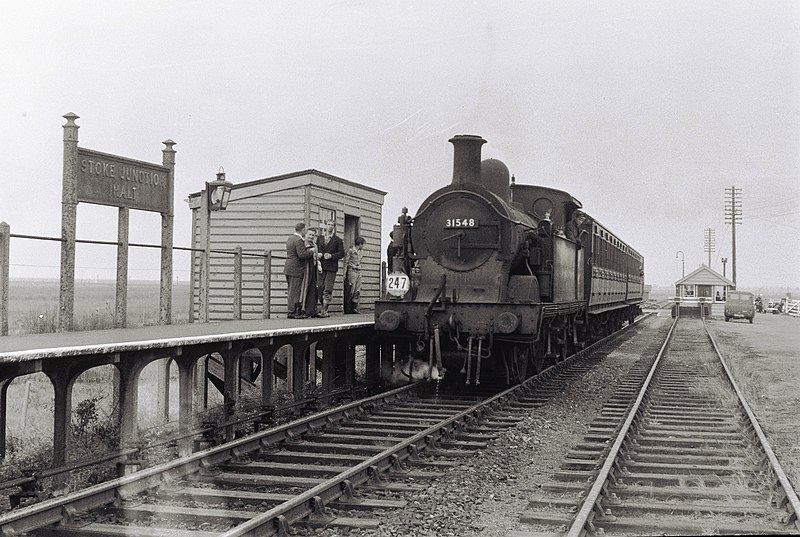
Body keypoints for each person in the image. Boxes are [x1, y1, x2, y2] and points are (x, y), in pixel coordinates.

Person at [283, 222, 315, 319]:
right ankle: (292, 312)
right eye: (305, 229)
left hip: (289, 267)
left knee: (291, 290)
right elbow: (302, 255)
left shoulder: (290, 238)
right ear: (303, 230)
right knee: (295, 291)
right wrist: (311, 251)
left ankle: (292, 310)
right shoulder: (298, 240)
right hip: (296, 269)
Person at [315, 220, 345, 317]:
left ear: (334, 227)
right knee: (319, 287)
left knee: (328, 288)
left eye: (332, 225)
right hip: (320, 266)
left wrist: (332, 256)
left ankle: (324, 310)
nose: (330, 227)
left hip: (331, 267)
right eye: (329, 225)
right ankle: (319, 306)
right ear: (325, 226)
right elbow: (316, 249)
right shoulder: (319, 238)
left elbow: (341, 253)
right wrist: (318, 254)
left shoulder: (338, 240)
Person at [300, 228, 321, 317]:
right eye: (310, 235)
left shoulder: (315, 245)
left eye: (313, 235)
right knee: (305, 288)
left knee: (313, 288)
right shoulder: (303, 243)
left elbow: (316, 257)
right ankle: (303, 309)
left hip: (314, 267)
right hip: (306, 267)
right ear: (306, 234)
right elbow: (303, 255)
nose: (311, 237)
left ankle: (311, 310)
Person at [344, 237, 366, 314]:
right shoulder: (351, 251)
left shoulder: (361, 252)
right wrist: (345, 272)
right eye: (362, 244)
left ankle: (354, 308)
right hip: (352, 271)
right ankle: (348, 308)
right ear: (360, 244)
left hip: (358, 272)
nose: (363, 246)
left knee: (357, 290)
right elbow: (346, 261)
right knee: (351, 290)